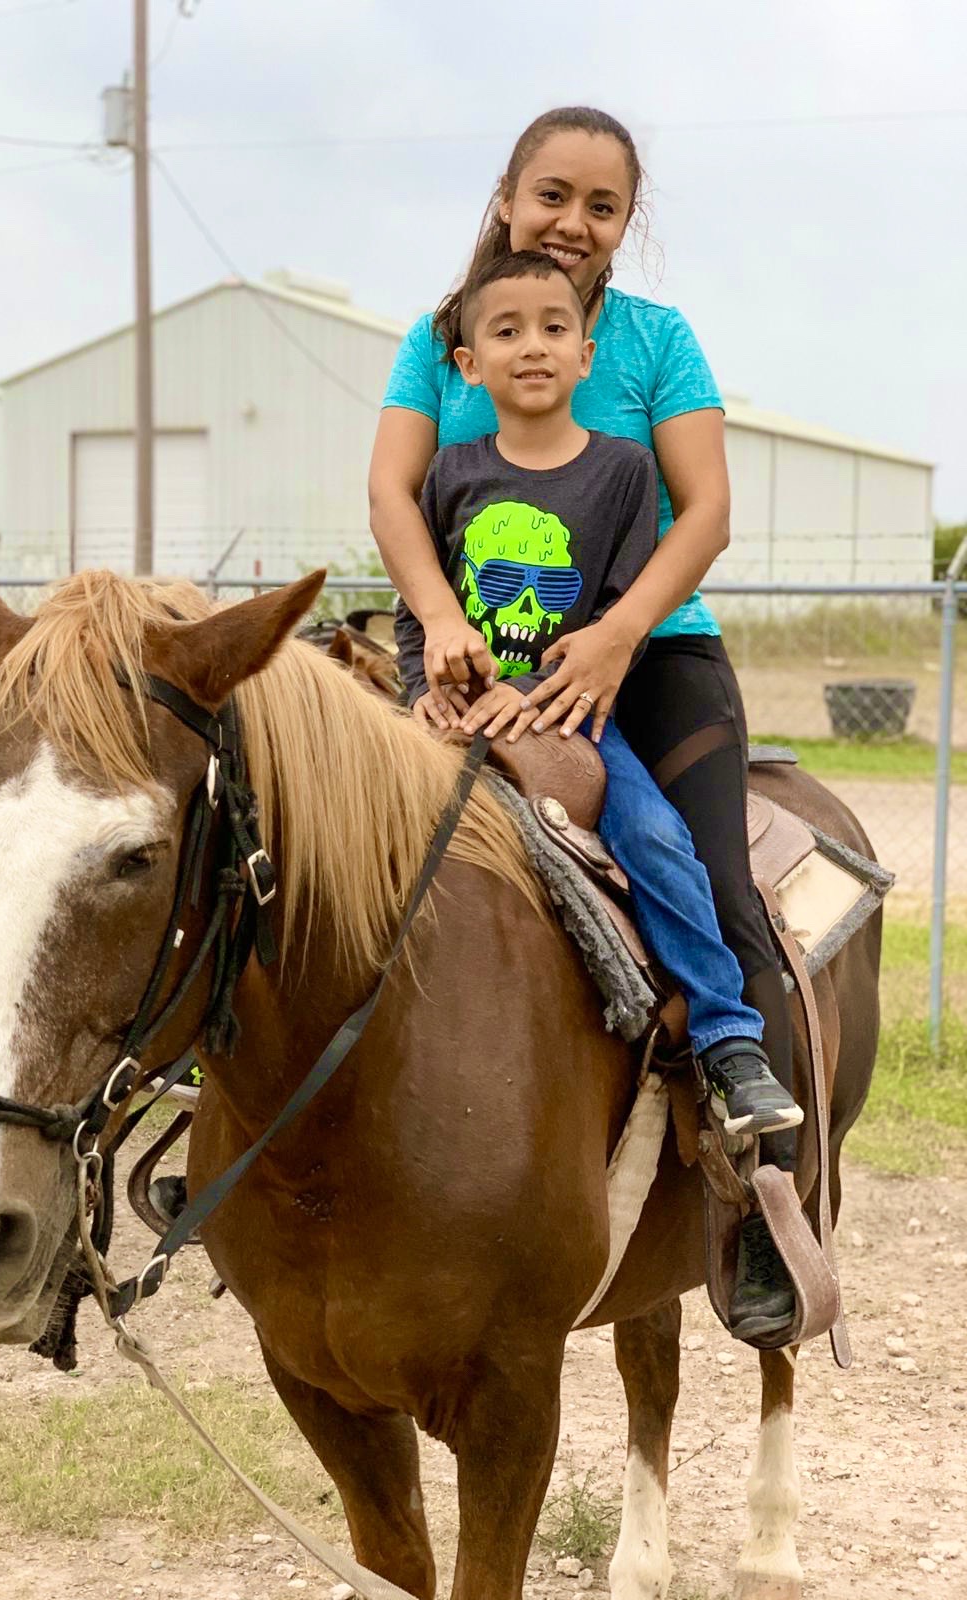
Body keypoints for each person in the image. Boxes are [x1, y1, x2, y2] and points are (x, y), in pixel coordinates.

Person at [369, 106, 800, 1347]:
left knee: (715, 880)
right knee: (317, 832)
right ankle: (256, 1123)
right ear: (508, 196)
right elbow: (394, 491)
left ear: (625, 227)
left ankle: (762, 1189)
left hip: (646, 649)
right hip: (464, 658)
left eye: (601, 206)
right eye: (551, 194)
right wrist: (441, 621)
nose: (572, 222)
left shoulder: (656, 341)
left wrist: (614, 639)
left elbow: (705, 508)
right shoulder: (439, 336)